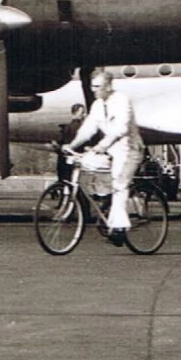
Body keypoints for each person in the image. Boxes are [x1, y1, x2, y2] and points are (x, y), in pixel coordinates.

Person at [66, 72, 140, 242]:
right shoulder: (98, 105)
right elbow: (88, 128)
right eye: (92, 86)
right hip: (111, 149)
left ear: (108, 86)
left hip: (129, 148)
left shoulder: (121, 101)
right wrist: (72, 145)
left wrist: (102, 145)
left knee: (119, 185)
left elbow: (121, 128)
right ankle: (105, 200)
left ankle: (119, 228)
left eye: (98, 87)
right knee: (88, 165)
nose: (94, 90)